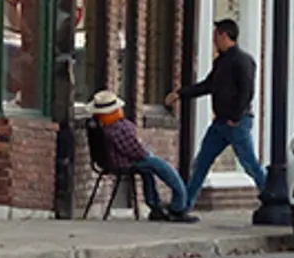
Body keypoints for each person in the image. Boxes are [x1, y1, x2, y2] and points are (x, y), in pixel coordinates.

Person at [166, 19, 266, 208]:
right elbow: (208, 85)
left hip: (237, 122)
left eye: (216, 36)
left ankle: (270, 196)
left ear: (224, 36)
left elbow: (247, 91)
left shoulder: (242, 60)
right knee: (202, 162)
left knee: (249, 163)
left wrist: (235, 118)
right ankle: (184, 204)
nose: (214, 40)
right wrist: (181, 94)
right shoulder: (221, 61)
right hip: (220, 123)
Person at [89, 90, 197, 223]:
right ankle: (179, 206)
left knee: (149, 171)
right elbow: (134, 150)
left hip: (118, 160)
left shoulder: (104, 126)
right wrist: (147, 155)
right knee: (163, 168)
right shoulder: (116, 128)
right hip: (126, 161)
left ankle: (155, 206)